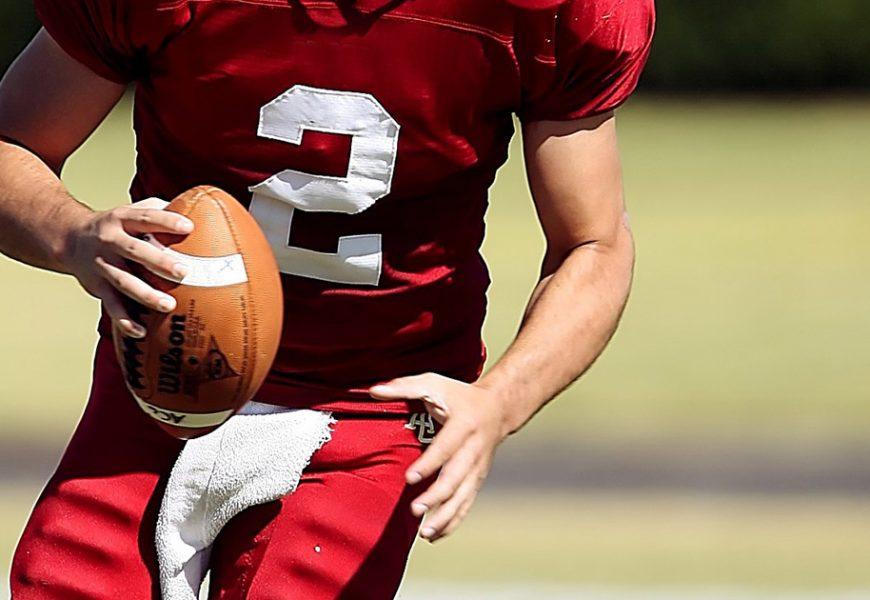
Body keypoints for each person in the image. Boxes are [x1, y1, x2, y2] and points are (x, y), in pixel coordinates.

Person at [0, 0, 654, 597]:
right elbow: (14, 143)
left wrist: (499, 402)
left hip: (377, 403)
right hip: (168, 376)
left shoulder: (548, 12)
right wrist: (72, 235)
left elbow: (591, 244)